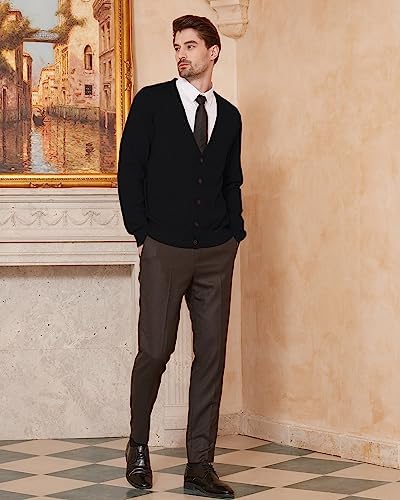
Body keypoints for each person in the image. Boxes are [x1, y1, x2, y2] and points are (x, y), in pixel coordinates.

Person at [118, 14, 246, 499]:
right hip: (164, 248)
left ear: (213, 52)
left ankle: (200, 465)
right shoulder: (151, 103)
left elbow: (231, 180)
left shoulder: (229, 116)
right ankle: (138, 445)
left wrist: (235, 232)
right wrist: (141, 234)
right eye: (177, 46)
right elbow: (130, 170)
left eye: (191, 46)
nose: (182, 54)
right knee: (155, 349)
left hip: (216, 250)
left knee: (211, 355)